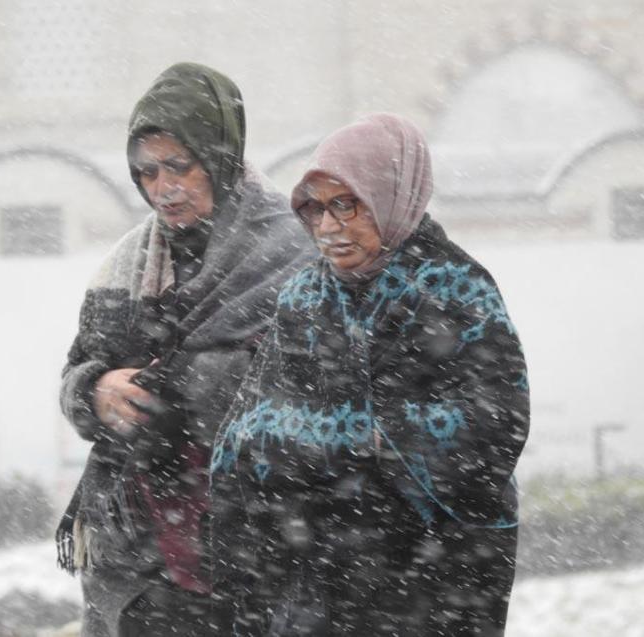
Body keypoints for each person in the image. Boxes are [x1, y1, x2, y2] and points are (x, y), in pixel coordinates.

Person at [210, 113, 530, 636]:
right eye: (314, 208)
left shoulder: (456, 290)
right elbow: (247, 433)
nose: (327, 227)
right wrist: (354, 441)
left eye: (346, 204)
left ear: (391, 196)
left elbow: (494, 426)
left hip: (437, 574)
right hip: (319, 572)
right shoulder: (304, 297)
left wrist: (353, 439)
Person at [56, 62, 315, 637]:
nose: (162, 188)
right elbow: (78, 369)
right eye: (146, 172)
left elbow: (307, 390)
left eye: (179, 166)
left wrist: (187, 388)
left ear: (219, 156)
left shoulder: (292, 253)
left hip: (256, 546)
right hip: (137, 553)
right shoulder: (127, 264)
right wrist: (96, 393)